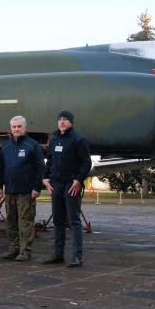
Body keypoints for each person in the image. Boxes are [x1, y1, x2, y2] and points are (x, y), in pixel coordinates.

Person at [42, 110, 91, 268]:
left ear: (71, 122)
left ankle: (77, 256)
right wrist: (45, 177)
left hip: (71, 184)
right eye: (60, 119)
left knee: (74, 221)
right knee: (57, 221)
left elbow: (86, 162)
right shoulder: (54, 139)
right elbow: (49, 161)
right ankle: (58, 254)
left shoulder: (78, 139)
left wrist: (78, 180)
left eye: (65, 119)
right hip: (56, 184)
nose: (62, 122)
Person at [0, 115, 45, 262]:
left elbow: (40, 168)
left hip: (26, 191)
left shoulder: (33, 145)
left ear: (25, 128)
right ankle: (14, 248)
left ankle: (25, 251)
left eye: (19, 127)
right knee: (11, 221)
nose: (16, 129)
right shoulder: (6, 146)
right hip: (10, 190)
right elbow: (0, 169)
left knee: (25, 221)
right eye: (14, 127)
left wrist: (37, 188)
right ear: (10, 129)